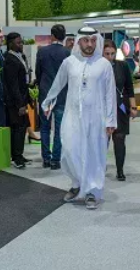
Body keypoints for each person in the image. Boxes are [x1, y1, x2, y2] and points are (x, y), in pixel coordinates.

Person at [41, 27, 115, 210]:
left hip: (97, 118)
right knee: (69, 150)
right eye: (85, 40)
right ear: (79, 41)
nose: (89, 44)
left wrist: (111, 120)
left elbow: (110, 94)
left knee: (94, 154)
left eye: (92, 40)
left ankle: (92, 191)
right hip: (72, 116)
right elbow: (57, 84)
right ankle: (77, 183)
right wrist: (47, 103)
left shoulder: (104, 64)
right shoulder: (69, 62)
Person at [35, 24, 70, 169]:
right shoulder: (67, 53)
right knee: (59, 128)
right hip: (61, 95)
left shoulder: (42, 51)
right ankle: (56, 160)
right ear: (64, 36)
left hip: (46, 94)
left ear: (52, 36)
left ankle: (46, 159)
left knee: (44, 127)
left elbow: (38, 73)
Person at [103, 40, 137, 181]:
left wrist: (133, 107)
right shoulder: (97, 67)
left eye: (112, 53)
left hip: (120, 107)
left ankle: (120, 170)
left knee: (120, 138)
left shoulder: (122, 66)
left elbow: (130, 88)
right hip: (102, 109)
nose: (110, 56)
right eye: (107, 54)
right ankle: (99, 167)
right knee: (103, 140)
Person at [3, 33, 31, 169]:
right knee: (17, 129)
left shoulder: (21, 56)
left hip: (22, 98)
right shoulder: (9, 60)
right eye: (18, 43)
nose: (21, 45)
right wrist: (20, 104)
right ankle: (16, 157)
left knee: (22, 127)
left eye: (21, 42)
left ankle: (19, 154)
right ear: (10, 44)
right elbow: (12, 84)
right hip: (15, 102)